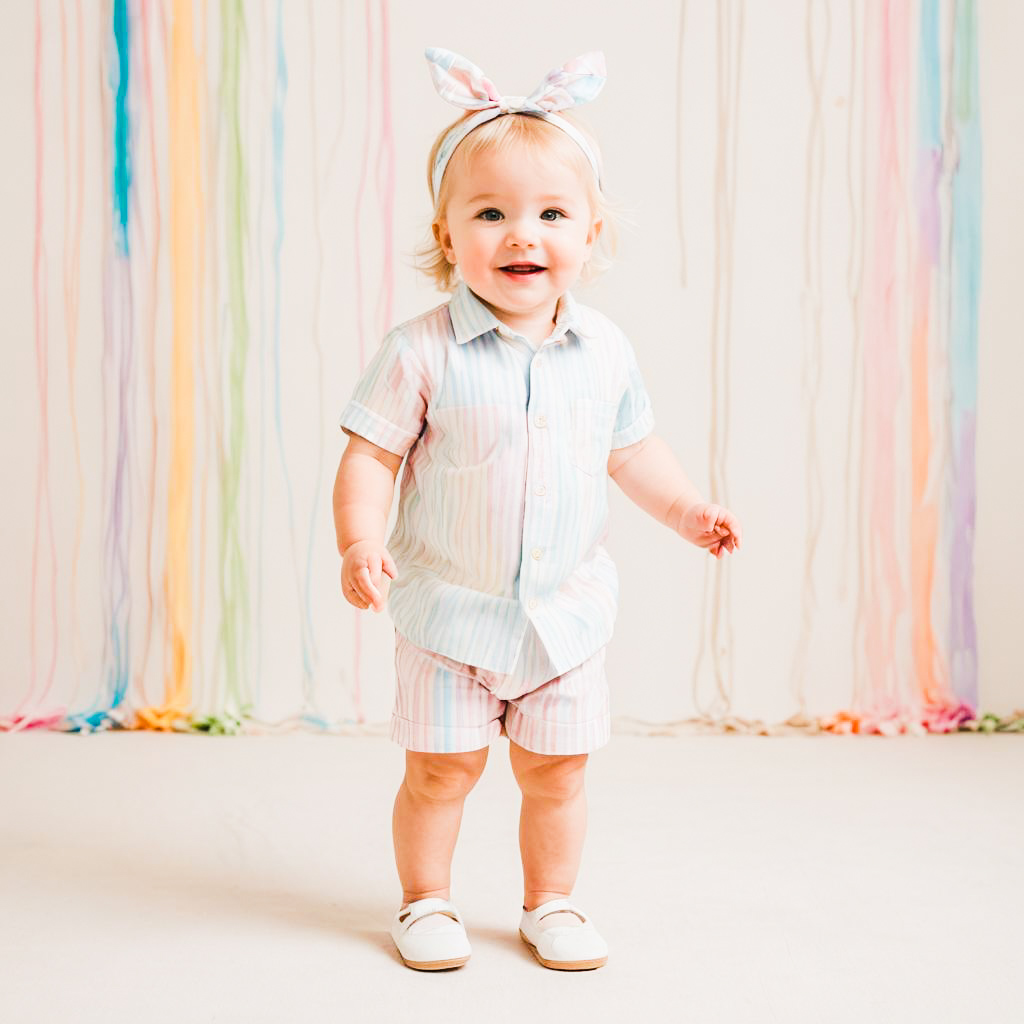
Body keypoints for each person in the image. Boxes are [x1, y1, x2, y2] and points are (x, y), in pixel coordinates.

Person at [332, 47, 743, 972]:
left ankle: (549, 902)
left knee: (558, 774)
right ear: (446, 236)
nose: (523, 233)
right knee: (442, 771)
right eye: (490, 213)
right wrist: (360, 540)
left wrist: (685, 510)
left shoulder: (604, 350)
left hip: (565, 618)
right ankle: (425, 903)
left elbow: (632, 451)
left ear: (592, 234)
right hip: (450, 614)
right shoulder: (420, 351)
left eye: (552, 213)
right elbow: (369, 455)